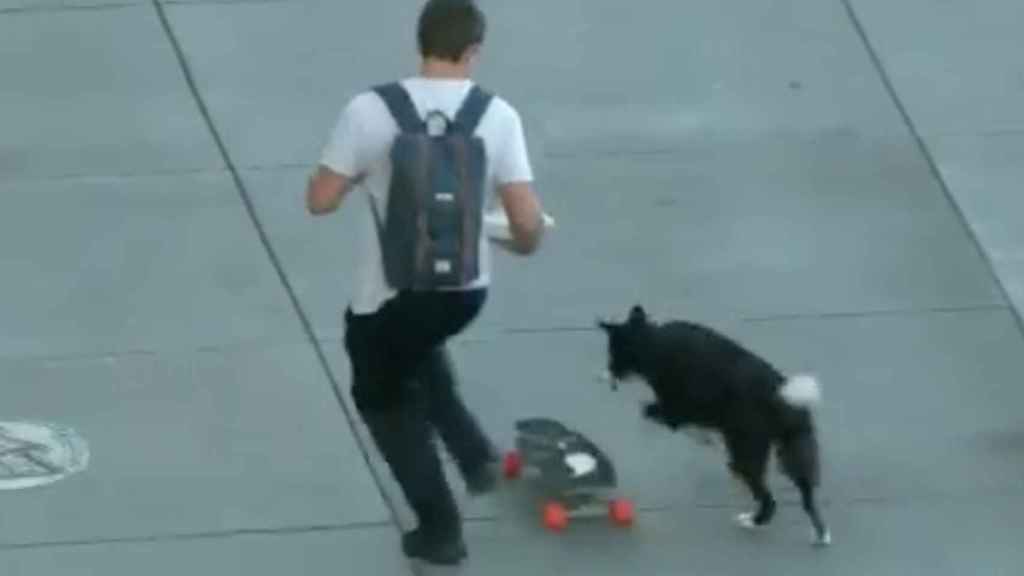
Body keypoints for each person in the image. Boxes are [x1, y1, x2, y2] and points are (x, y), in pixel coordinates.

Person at [305, 0, 546, 566]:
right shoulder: (498, 115)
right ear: (473, 51)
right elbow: (527, 223)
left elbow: (319, 201)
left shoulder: (370, 110)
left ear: (420, 42)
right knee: (418, 345)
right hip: (464, 291)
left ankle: (440, 529)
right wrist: (516, 242)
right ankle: (475, 455)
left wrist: (363, 173)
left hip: (387, 292)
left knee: (383, 397)